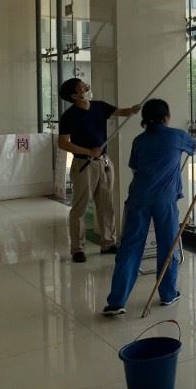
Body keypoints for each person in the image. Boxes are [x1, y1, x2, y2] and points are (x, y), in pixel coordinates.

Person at [103, 98, 196, 316]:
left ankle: (117, 302)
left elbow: (135, 168)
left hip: (138, 198)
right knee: (168, 245)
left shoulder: (139, 140)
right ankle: (167, 294)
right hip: (164, 201)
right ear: (166, 116)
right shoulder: (176, 136)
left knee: (130, 247)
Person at [57, 78, 141, 263]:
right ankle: (77, 249)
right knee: (80, 206)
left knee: (106, 204)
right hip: (84, 164)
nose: (86, 86)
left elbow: (121, 112)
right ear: (74, 95)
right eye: (81, 86)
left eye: (84, 84)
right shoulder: (69, 116)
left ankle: (108, 243)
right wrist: (88, 151)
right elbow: (63, 143)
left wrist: (132, 109)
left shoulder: (99, 106)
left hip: (104, 162)